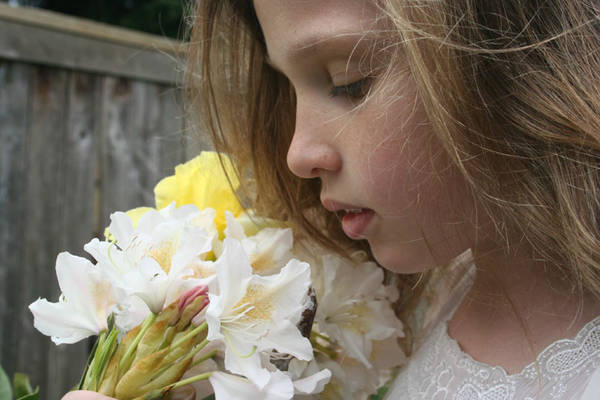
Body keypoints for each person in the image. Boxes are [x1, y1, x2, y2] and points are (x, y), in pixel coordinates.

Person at [66, 0, 600, 399]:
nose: (297, 154)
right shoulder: (424, 299)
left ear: (515, 56)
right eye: (289, 91)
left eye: (349, 82)